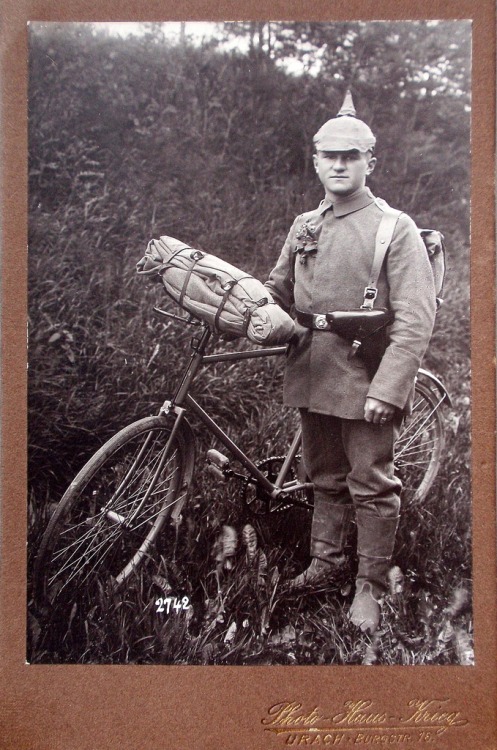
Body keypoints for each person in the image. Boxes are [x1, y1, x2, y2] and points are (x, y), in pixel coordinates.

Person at [264, 91, 436, 634]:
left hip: (366, 373)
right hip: (312, 367)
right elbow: (277, 290)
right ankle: (327, 564)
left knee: (371, 480)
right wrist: (243, 305)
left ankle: (371, 583)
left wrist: (389, 388)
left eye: (352, 155)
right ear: (315, 161)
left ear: (370, 162)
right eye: (329, 156)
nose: (339, 165)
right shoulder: (303, 225)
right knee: (324, 475)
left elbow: (415, 317)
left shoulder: (394, 228)